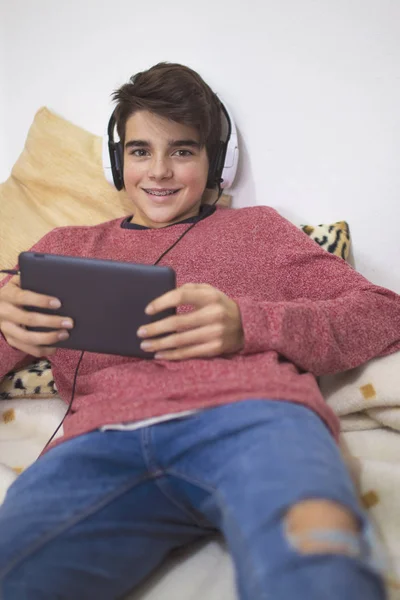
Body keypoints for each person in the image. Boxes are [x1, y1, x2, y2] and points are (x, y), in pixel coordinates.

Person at [0, 62, 399, 600]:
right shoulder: (64, 246)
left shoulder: (260, 231)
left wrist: (249, 325)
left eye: (182, 151)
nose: (159, 171)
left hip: (256, 422)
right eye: (141, 151)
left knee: (320, 574)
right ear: (117, 161)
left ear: (216, 163)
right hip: (98, 444)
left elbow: (383, 313)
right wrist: (7, 324)